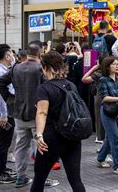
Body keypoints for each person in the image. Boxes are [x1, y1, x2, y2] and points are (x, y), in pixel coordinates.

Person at [0, 42, 59, 188]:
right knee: (41, 146)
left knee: (21, 146)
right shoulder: (41, 69)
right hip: (38, 114)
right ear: (40, 53)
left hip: (19, 113)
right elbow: (49, 89)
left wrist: (11, 100)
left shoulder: (16, 67)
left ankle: (21, 176)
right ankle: (40, 179)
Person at [31, 51, 86, 192]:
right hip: (72, 136)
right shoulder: (71, 85)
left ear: (45, 68)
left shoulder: (44, 88)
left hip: (51, 138)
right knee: (75, 180)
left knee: (39, 179)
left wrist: (39, 135)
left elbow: (42, 112)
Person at [0, 44, 16, 183]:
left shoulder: (3, 69)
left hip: (6, 110)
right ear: (7, 56)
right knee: (4, 142)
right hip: (4, 112)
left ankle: (1, 167)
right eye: (11, 54)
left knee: (5, 141)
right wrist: (3, 114)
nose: (13, 56)